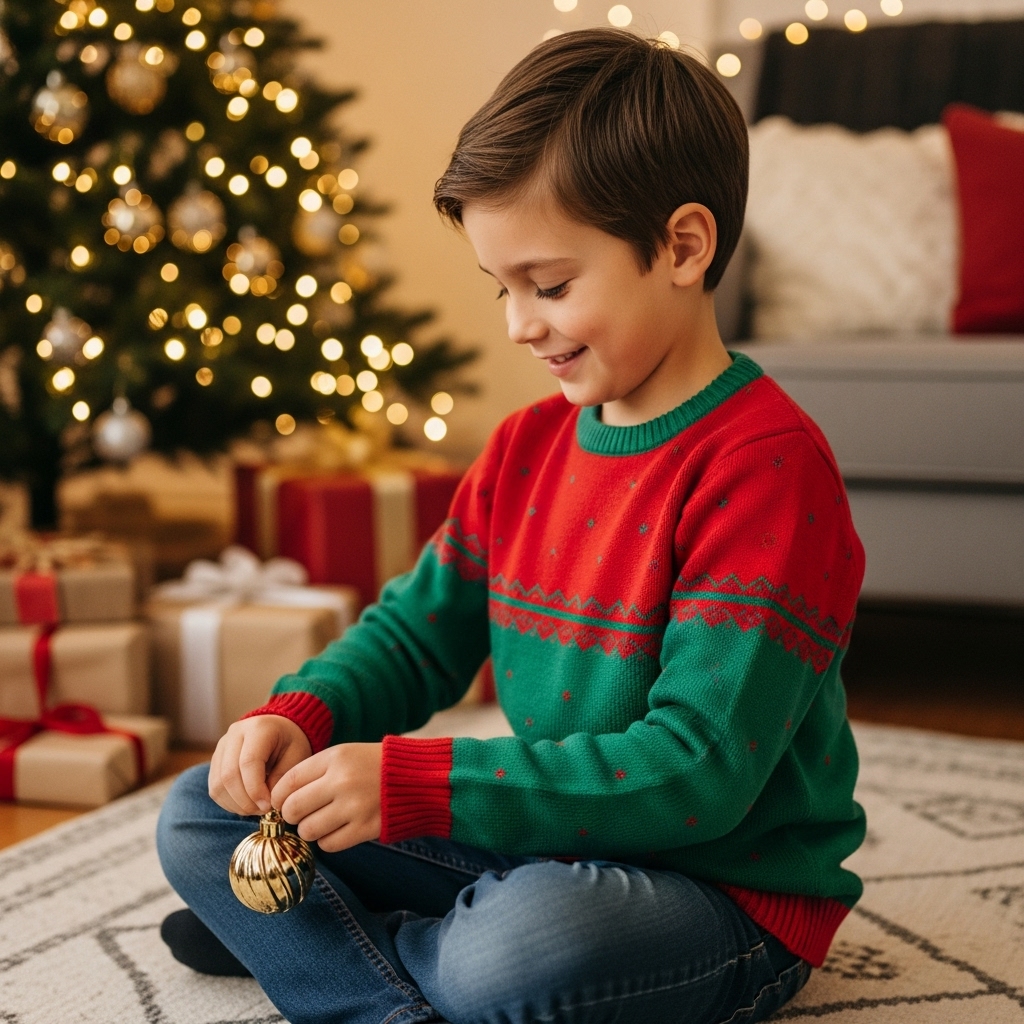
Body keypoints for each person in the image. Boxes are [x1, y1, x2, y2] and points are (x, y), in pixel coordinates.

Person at [157, 28, 866, 1024]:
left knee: (522, 950)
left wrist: (416, 785)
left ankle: (329, 943)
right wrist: (301, 716)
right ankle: (384, 964)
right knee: (198, 810)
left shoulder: (766, 468)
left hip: (719, 890)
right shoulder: (529, 445)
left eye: (551, 285)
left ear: (682, 246)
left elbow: (696, 772)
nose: (518, 325)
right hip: (547, 841)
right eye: (503, 287)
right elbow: (417, 634)